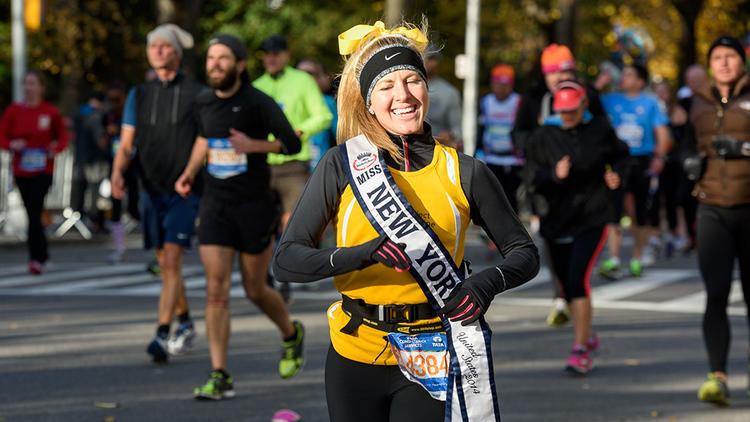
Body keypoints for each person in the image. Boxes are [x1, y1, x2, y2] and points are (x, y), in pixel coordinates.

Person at [273, 21, 539, 421]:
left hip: (432, 353)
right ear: (368, 101)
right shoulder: (341, 164)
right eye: (387, 86)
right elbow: (287, 260)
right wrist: (360, 255)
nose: (403, 95)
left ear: (426, 88)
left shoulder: (465, 172)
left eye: (413, 80)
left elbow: (524, 253)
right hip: (355, 351)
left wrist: (485, 284)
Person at [174, 34, 305, 400]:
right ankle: (219, 374)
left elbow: (292, 144)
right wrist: (188, 173)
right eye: (211, 57)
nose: (214, 64)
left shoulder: (258, 102)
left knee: (254, 289)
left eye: (223, 58)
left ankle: (290, 334)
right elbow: (203, 139)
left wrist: (254, 146)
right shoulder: (202, 102)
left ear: (240, 64)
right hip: (215, 206)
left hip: (253, 206)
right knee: (215, 292)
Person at [110, 23, 204, 363]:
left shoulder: (196, 93)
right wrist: (118, 171)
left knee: (173, 258)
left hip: (184, 189)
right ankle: (186, 321)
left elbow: (203, 140)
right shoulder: (139, 94)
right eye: (154, 47)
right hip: (149, 187)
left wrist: (191, 172)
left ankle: (162, 334)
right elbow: (126, 142)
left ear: (177, 53)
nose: (159, 51)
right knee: (166, 264)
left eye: (165, 46)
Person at [525, 80, 630, 374]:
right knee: (565, 285)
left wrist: (616, 175)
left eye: (572, 110)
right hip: (555, 219)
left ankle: (580, 349)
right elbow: (531, 179)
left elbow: (621, 156)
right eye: (563, 110)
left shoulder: (599, 129)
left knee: (577, 280)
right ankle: (586, 334)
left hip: (592, 215)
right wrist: (554, 174)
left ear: (583, 104)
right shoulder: (543, 135)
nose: (568, 115)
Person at [513, 43, 605, 328]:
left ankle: (567, 298)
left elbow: (604, 131)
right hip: (545, 184)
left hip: (583, 191)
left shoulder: (587, 94)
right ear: (545, 74)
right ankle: (560, 295)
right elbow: (519, 133)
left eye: (564, 70)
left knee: (577, 262)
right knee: (553, 241)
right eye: (553, 72)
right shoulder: (533, 97)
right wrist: (537, 146)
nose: (559, 76)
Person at [686, 35, 750, 407]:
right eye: (717, 57)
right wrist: (687, 163)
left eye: (730, 56)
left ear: (742, 61)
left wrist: (741, 148)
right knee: (716, 294)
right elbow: (683, 145)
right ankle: (718, 378)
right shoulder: (697, 103)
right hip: (711, 209)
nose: (724, 63)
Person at [253, 34, 333, 301]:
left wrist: (300, 131)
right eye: (266, 53)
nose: (271, 58)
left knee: (291, 223)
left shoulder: (301, 82)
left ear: (286, 55)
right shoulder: (256, 85)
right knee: (262, 223)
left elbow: (323, 116)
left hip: (293, 164)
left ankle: (284, 267)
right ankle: (270, 268)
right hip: (262, 166)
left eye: (276, 52)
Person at [599, 64, 671, 278]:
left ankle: (637, 258)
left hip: (641, 161)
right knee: (614, 210)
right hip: (617, 161)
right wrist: (602, 81)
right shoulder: (610, 99)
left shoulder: (650, 102)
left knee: (639, 214)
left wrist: (660, 156)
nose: (623, 77)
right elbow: (589, 101)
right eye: (623, 73)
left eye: (629, 74)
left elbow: (662, 130)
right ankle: (613, 259)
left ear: (640, 81)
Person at [0, 70, 69, 274]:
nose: (28, 88)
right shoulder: (14, 111)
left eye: (32, 84)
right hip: (21, 170)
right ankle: (42, 254)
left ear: (41, 88)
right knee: (33, 213)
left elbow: (63, 138)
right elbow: (2, 137)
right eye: (26, 84)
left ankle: (35, 258)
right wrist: (13, 144)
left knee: (34, 209)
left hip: (43, 169)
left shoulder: (50, 112)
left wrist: (53, 150)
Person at [653, 80, 695, 256]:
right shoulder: (651, 110)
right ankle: (661, 236)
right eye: (658, 91)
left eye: (665, 91)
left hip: (674, 161)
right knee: (657, 200)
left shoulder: (676, 111)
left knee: (675, 200)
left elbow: (681, 131)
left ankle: (679, 234)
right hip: (655, 160)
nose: (661, 95)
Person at [477, 63, 523, 212]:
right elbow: (481, 128)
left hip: (513, 160)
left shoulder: (518, 102)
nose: (501, 89)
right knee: (492, 196)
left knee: (510, 198)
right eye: (497, 84)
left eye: (505, 85)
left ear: (511, 85)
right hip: (492, 158)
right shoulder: (486, 102)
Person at [104, 81, 138, 263]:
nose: (114, 103)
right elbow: (102, 141)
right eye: (111, 100)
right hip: (115, 167)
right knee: (115, 206)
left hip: (135, 165)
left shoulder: (131, 114)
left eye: (117, 99)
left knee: (135, 207)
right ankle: (119, 247)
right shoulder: (108, 115)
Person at [72, 91, 108, 231]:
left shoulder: (79, 113)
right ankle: (96, 222)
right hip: (95, 159)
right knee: (96, 192)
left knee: (81, 190)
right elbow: (100, 140)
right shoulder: (96, 116)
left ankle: (78, 220)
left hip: (80, 157)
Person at [296, 59, 338, 170]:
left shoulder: (327, 102)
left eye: (309, 73)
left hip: (320, 168)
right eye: (298, 73)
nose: (303, 77)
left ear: (318, 77)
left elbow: (341, 134)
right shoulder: (289, 101)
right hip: (295, 165)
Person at [423, 44, 462, 148]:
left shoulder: (449, 92)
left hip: (437, 150)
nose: (426, 60)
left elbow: (458, 130)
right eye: (422, 56)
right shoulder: (404, 88)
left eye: (431, 57)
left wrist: (450, 135)